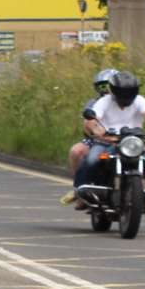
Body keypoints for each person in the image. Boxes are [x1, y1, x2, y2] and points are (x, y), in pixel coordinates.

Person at [66, 71, 145, 214]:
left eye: (129, 91)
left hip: (133, 143)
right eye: (122, 91)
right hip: (106, 142)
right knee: (91, 160)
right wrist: (96, 131)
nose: (126, 95)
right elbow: (92, 120)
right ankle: (80, 193)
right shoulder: (104, 101)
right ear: (113, 90)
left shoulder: (139, 100)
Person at [61, 69, 121, 203]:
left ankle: (143, 194)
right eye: (102, 86)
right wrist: (97, 133)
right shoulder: (93, 103)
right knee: (76, 151)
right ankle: (80, 190)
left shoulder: (129, 102)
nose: (106, 90)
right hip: (97, 140)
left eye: (109, 85)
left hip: (125, 141)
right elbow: (88, 124)